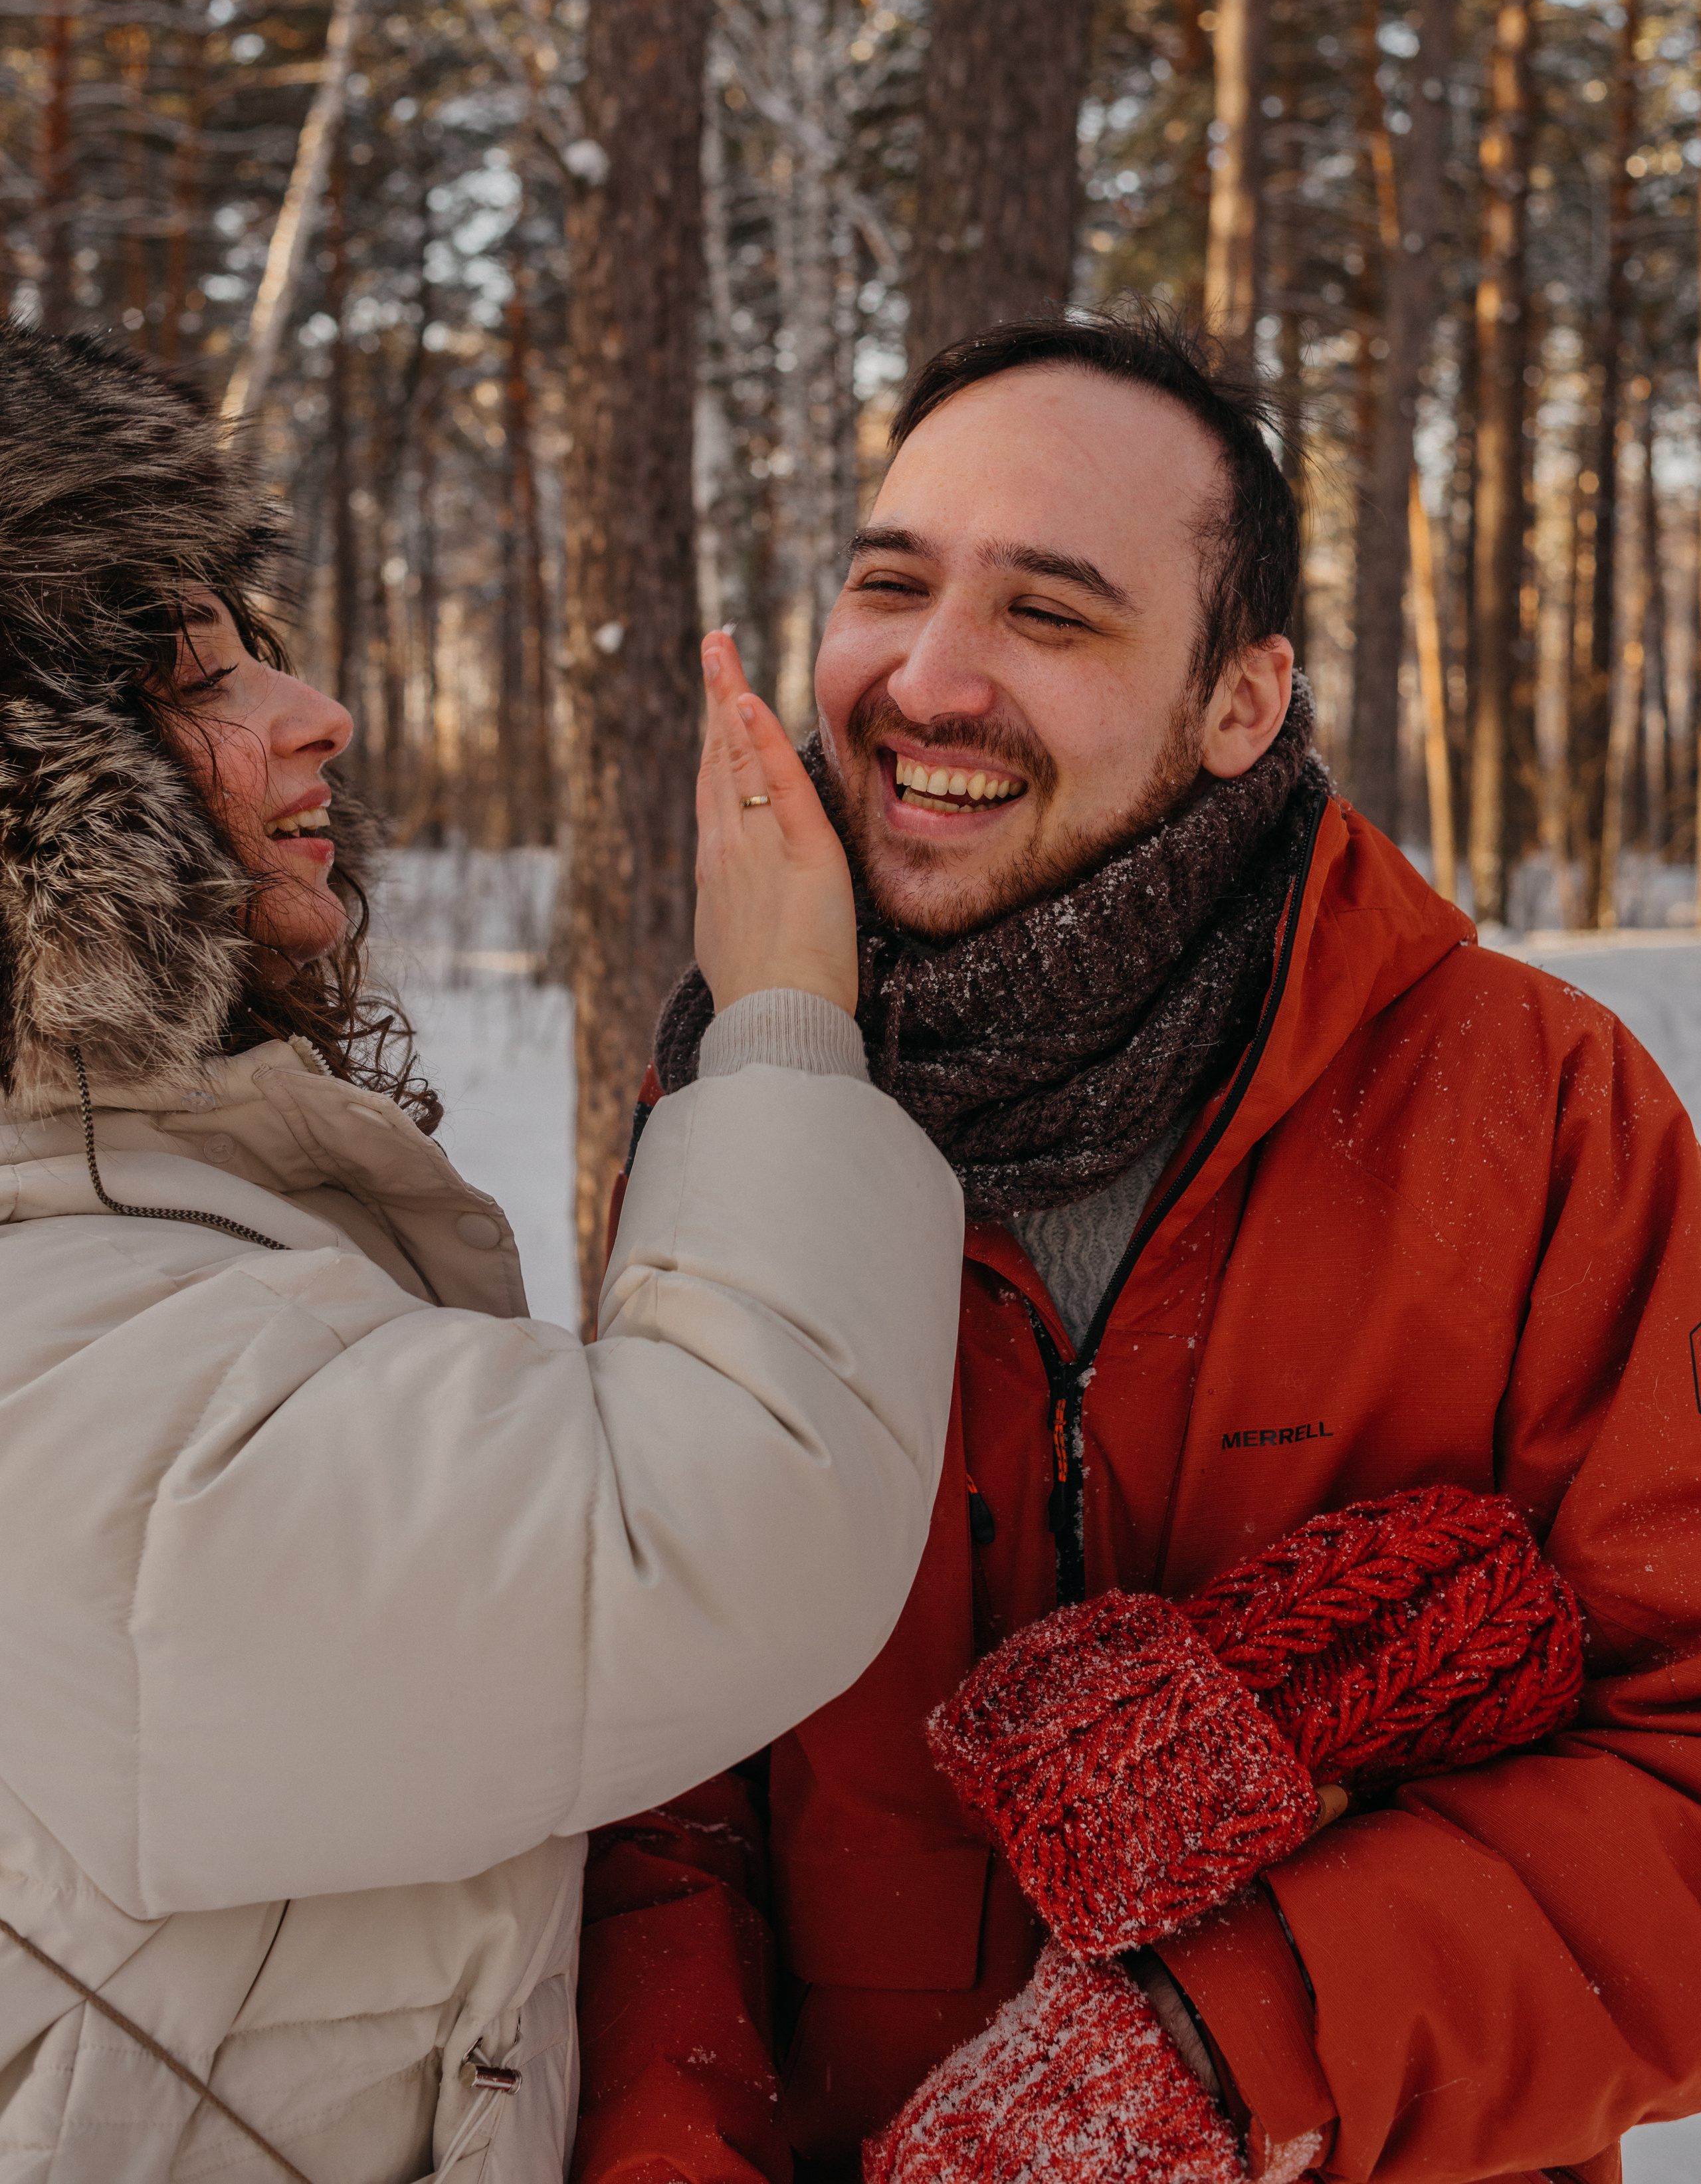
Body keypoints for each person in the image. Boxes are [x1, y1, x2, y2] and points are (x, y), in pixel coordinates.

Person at [575, 302, 1701, 2184]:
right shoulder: (747, 1111)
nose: (928, 679)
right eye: (893, 581)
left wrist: (1221, 2042)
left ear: (1241, 701)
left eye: (1049, 610)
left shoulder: (1542, 1115)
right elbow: (656, 1793)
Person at [0, 320, 965, 2181]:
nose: (312, 710)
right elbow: (702, 1520)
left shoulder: (114, 1225)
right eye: (187, 678)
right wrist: (777, 1015)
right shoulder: (53, 1358)